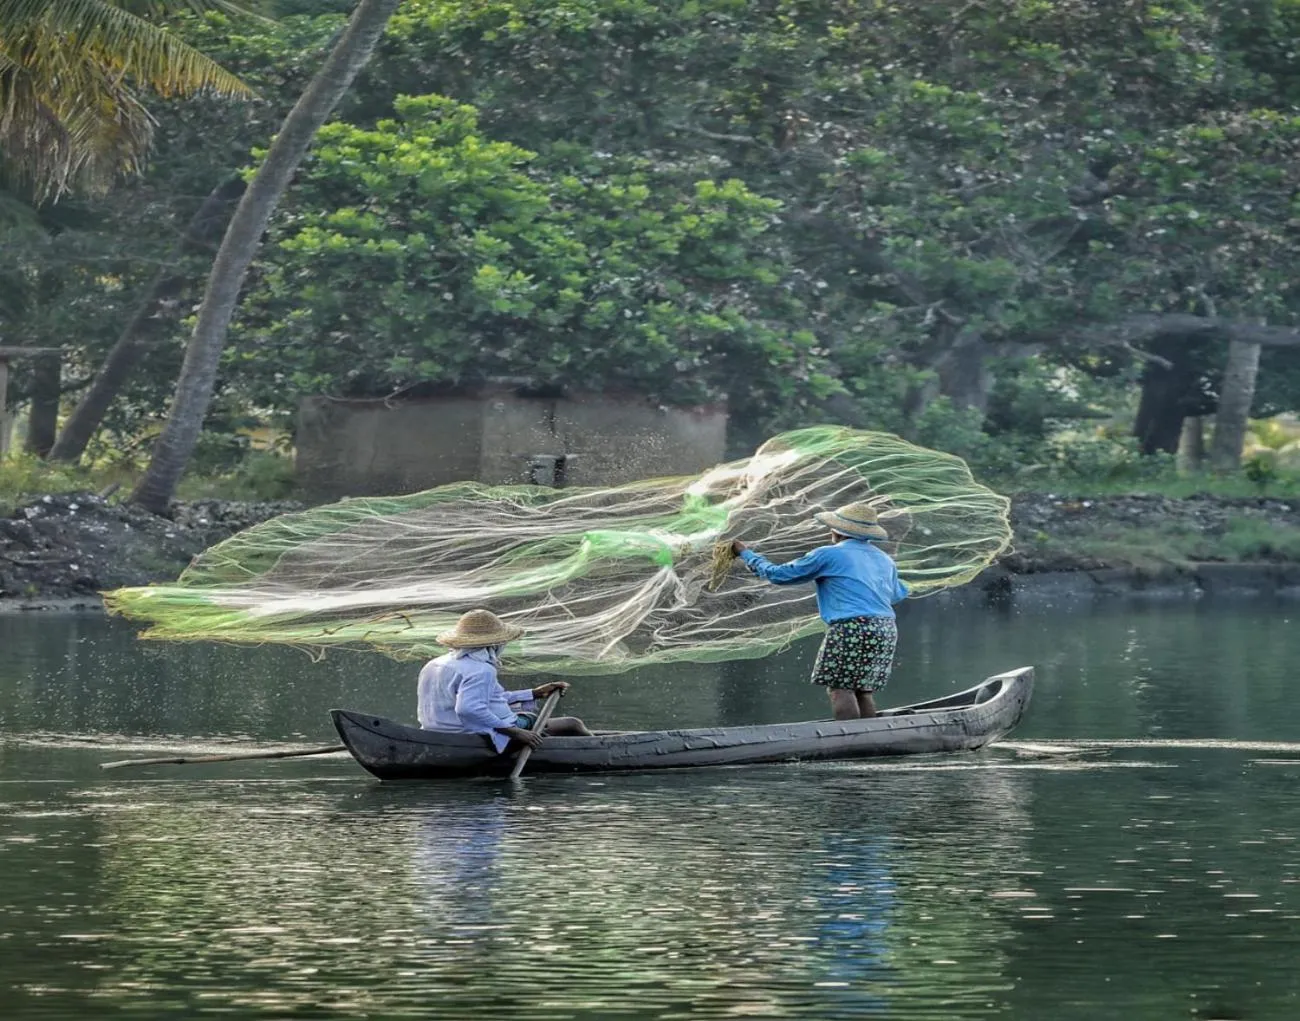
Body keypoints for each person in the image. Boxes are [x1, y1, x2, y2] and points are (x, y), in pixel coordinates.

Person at [732, 502, 908, 721]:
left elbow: (779, 575)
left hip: (852, 626)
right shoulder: (884, 559)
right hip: (885, 628)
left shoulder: (828, 555)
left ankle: (849, 741)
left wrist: (745, 554)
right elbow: (898, 593)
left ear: (837, 531)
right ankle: (869, 740)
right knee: (862, 689)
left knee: (840, 689)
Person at [418, 608, 591, 752]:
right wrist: (514, 732)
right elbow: (469, 709)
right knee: (572, 724)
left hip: (437, 732)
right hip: (475, 734)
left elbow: (488, 698)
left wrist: (534, 693)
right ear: (494, 644)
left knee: (535, 720)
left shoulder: (435, 664)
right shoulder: (481, 670)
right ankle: (598, 750)